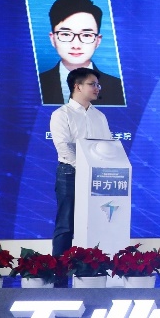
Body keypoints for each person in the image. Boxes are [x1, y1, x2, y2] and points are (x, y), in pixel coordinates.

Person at [49, 68, 112, 256]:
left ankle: (93, 267)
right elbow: (63, 147)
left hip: (97, 176)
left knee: (97, 222)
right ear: (77, 86)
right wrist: (84, 168)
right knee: (66, 224)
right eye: (92, 84)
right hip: (70, 173)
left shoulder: (99, 116)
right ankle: (59, 270)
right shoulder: (62, 114)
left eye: (98, 85)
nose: (97, 88)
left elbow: (107, 146)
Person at [38, 0, 125, 106]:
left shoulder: (118, 88)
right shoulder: (36, 84)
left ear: (98, 41)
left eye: (86, 35)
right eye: (66, 34)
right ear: (52, 39)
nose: (76, 45)